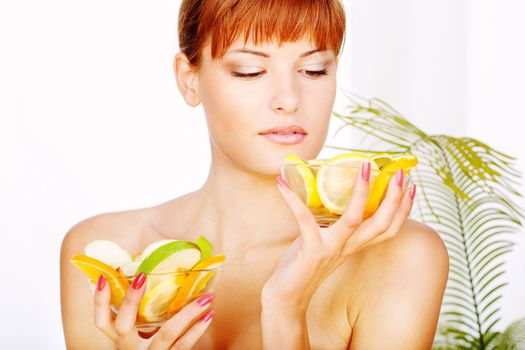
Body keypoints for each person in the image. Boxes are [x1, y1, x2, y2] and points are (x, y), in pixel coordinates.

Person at [60, 0, 449, 349]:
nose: (288, 99)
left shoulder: (400, 257)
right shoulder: (104, 256)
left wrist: (285, 308)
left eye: (314, 70)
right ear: (188, 78)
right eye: (249, 71)